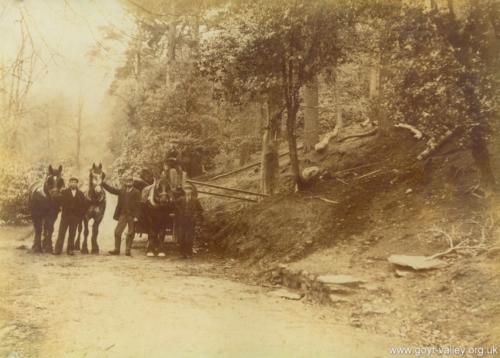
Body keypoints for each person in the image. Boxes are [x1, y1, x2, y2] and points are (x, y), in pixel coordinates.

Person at [102, 174, 141, 256]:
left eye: (130, 181)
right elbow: (112, 190)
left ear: (133, 182)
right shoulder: (122, 191)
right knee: (117, 232)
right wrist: (102, 183)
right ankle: (117, 249)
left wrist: (136, 217)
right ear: (125, 182)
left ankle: (127, 250)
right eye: (127, 181)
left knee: (130, 233)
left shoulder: (137, 192)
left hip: (132, 216)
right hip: (123, 215)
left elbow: (138, 206)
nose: (129, 183)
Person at [54, 177, 86, 255]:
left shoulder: (81, 194)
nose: (73, 183)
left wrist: (79, 216)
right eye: (71, 182)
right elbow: (57, 201)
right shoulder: (64, 192)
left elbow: (84, 206)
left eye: (75, 182)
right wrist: (59, 193)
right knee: (61, 233)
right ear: (69, 183)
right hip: (65, 216)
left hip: (75, 217)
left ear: (77, 184)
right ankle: (58, 250)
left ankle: (70, 250)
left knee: (72, 233)